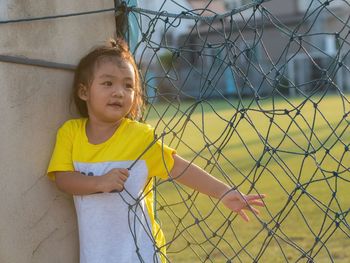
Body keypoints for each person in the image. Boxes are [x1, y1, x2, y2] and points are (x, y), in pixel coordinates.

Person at [47, 38, 265, 263]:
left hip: (142, 254)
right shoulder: (71, 133)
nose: (120, 92)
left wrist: (223, 192)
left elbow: (178, 167)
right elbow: (63, 179)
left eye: (128, 85)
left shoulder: (141, 137)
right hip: (95, 255)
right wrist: (99, 183)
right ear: (84, 92)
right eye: (108, 83)